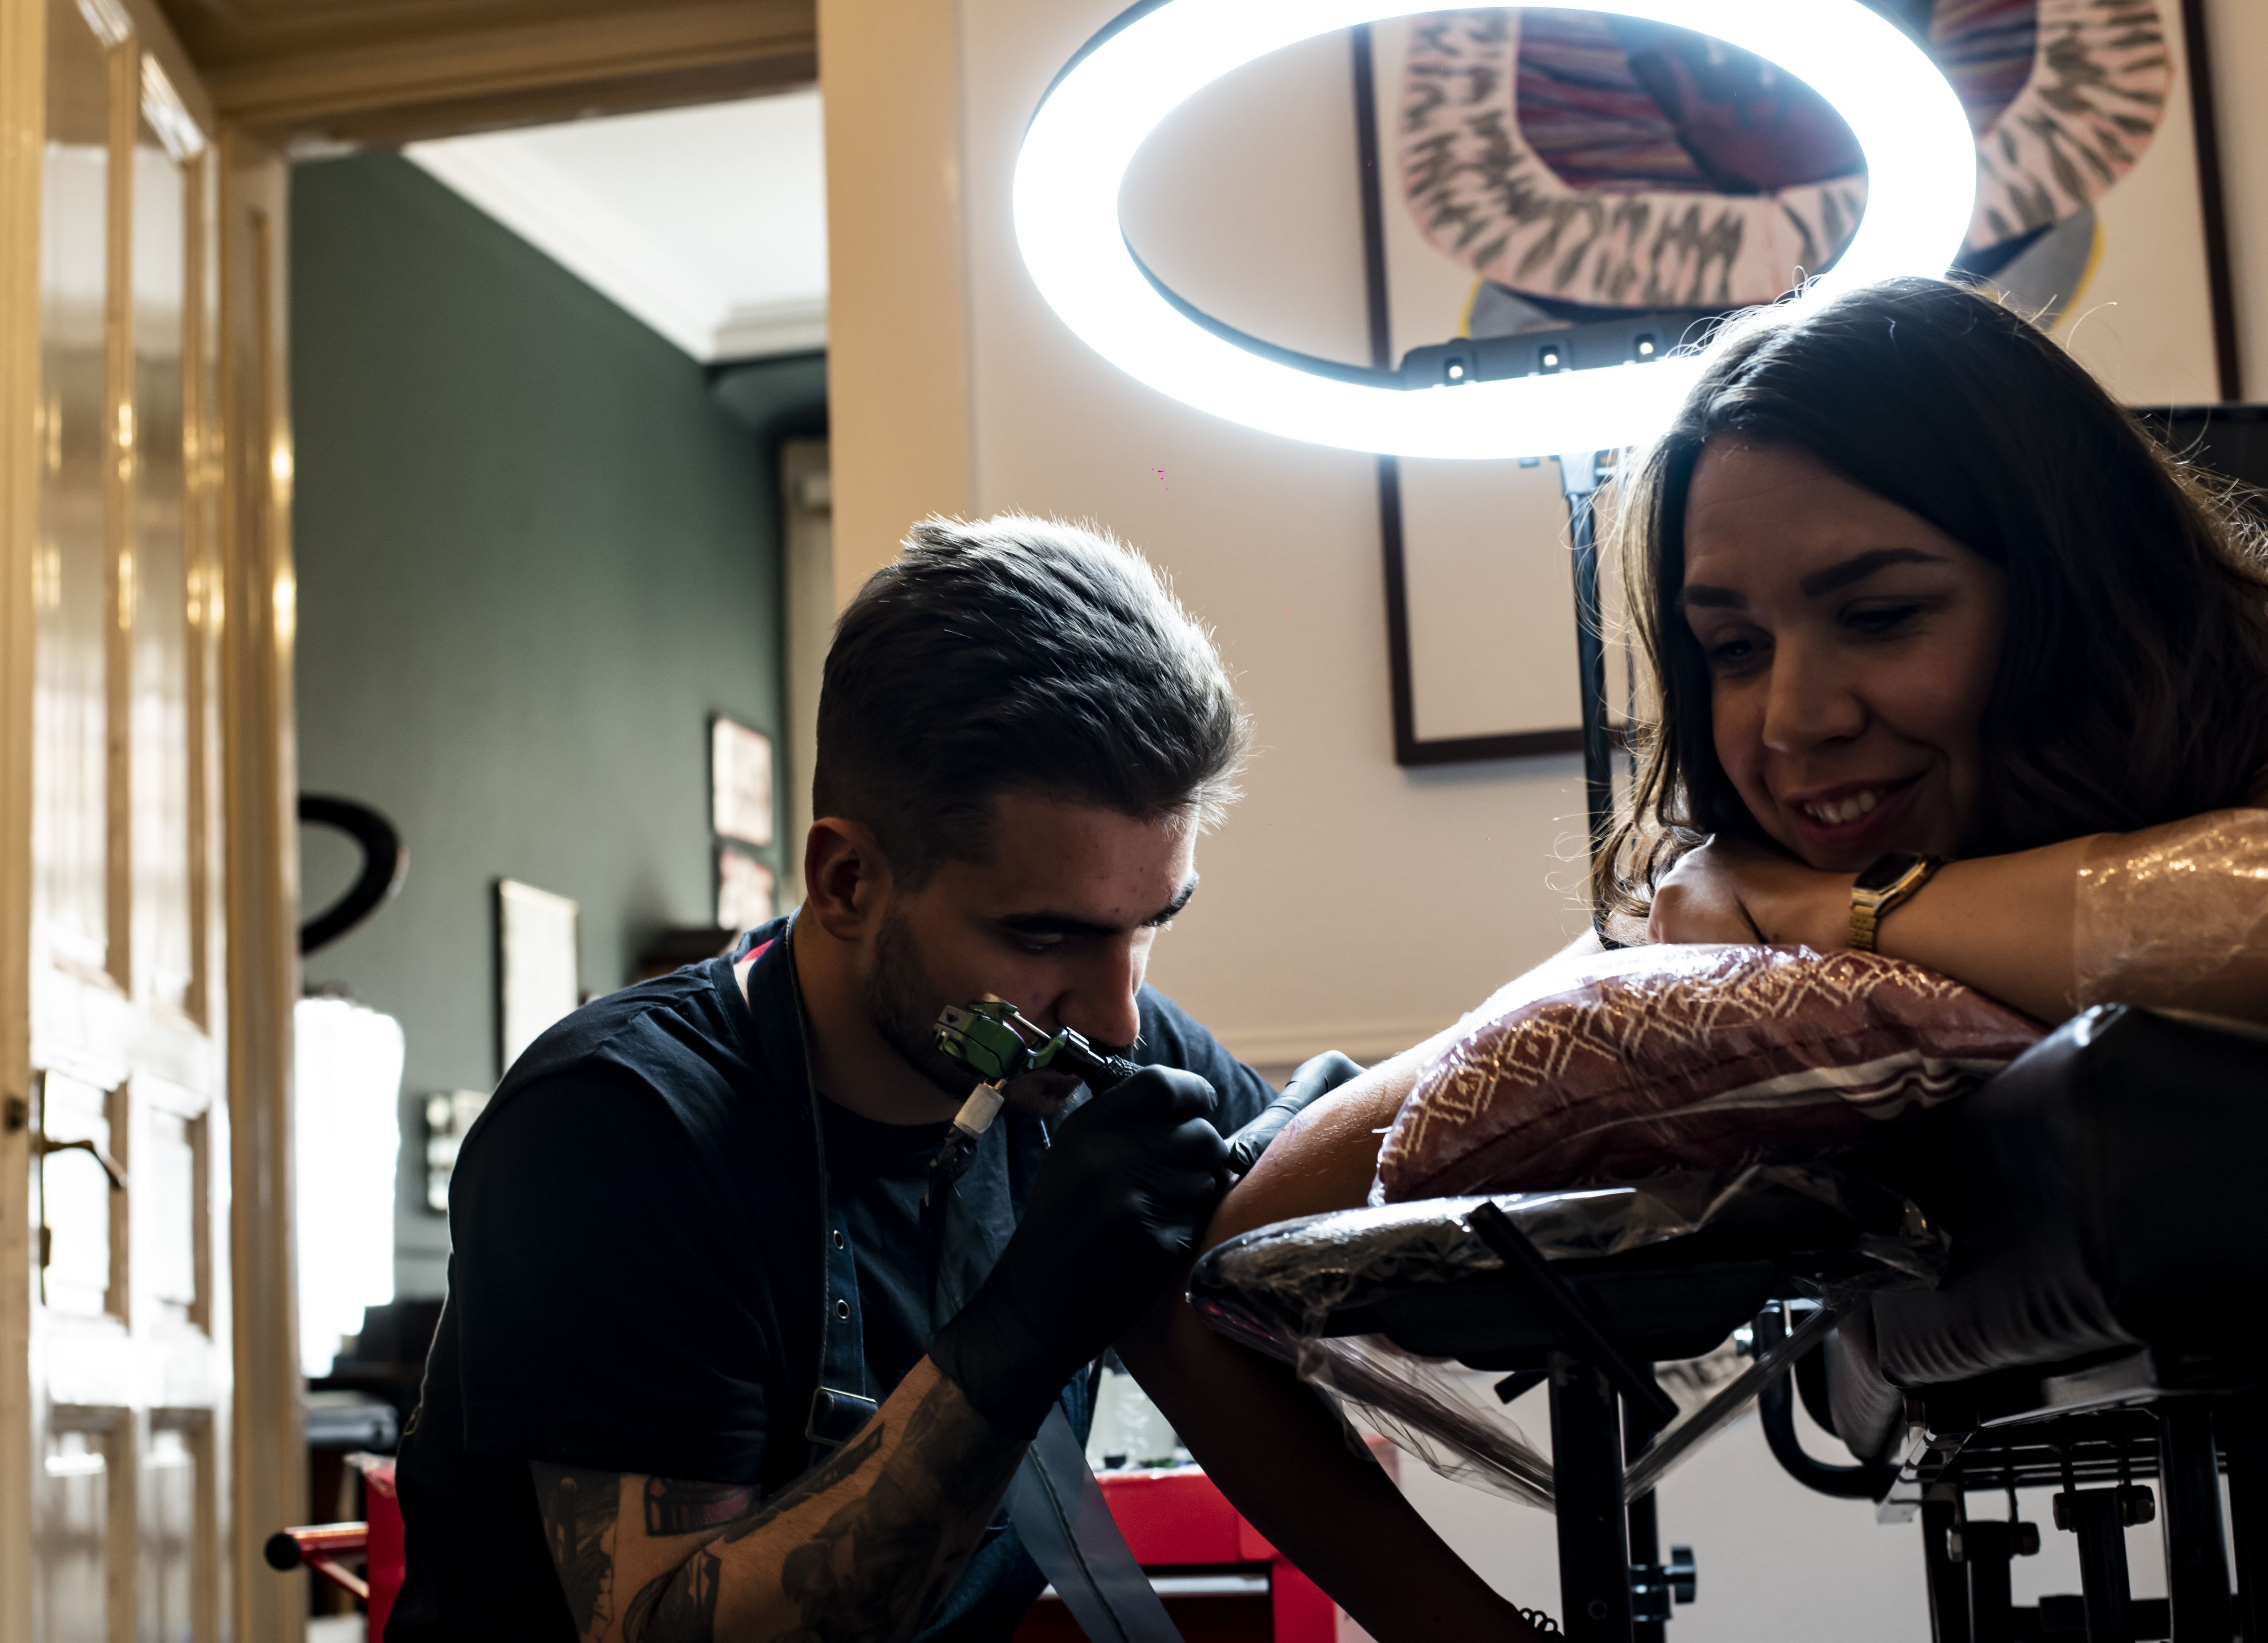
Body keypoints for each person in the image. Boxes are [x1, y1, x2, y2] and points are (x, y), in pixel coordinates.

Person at [1115, 275, 2268, 1628]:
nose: (1790, 719)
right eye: (1730, 645)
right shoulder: (1695, 928)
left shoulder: (1777, 898)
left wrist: (1835, 908)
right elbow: (1205, 1287)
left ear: (2067, 584)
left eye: (1880, 614)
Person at [388, 516, 1404, 1642]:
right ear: (848, 881)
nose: (1116, 1016)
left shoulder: (1091, 1055)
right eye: (1042, 935)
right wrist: (1020, 1334)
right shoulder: (618, 1132)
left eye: (1151, 924)